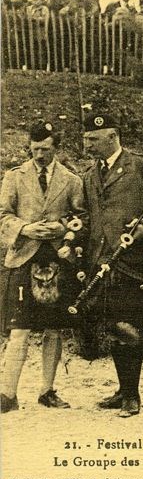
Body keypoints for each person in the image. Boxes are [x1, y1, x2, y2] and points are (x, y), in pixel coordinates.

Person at [81, 113, 143, 418]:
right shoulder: (90, 175)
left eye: (93, 139)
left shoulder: (141, 166)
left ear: (112, 137)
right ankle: (124, 389)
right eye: (86, 139)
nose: (87, 145)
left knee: (128, 326)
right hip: (102, 262)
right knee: (113, 325)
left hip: (133, 263)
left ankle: (132, 397)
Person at [0, 121, 87, 413]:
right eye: (35, 149)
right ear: (29, 147)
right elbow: (3, 216)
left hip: (58, 261)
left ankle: (47, 391)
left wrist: (62, 227)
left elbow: (80, 216)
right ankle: (8, 395)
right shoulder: (14, 177)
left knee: (53, 330)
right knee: (19, 329)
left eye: (46, 149)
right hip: (24, 259)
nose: (39, 155)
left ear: (56, 148)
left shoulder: (72, 180)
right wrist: (25, 228)